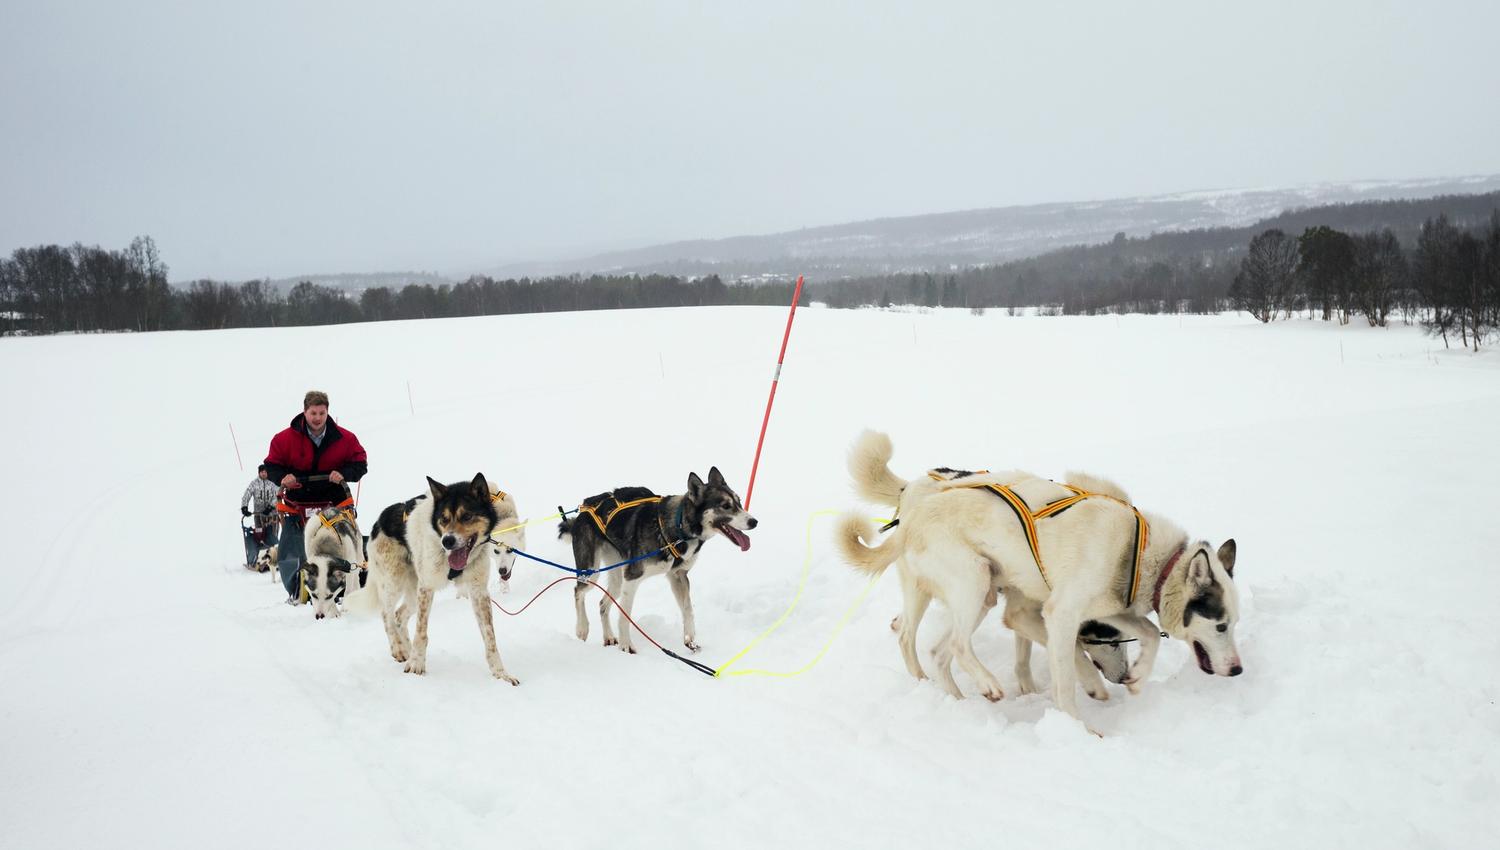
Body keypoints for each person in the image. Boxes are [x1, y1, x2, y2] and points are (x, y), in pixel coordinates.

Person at [262, 390, 368, 603]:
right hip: (297, 500)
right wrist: (284, 477)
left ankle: (347, 585)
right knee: (293, 545)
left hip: (334, 501)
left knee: (346, 543)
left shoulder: (344, 438)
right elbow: (271, 466)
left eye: (322, 413)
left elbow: (360, 464)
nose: (317, 418)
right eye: (313, 413)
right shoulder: (284, 439)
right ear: (304, 412)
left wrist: (344, 474)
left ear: (327, 412)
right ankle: (297, 590)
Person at [240, 463, 281, 568]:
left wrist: (271, 507)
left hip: (272, 515)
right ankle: (261, 561)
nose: (264, 473)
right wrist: (244, 507)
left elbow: (278, 494)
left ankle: (275, 559)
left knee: (273, 537)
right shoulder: (254, 484)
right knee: (260, 537)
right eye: (262, 472)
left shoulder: (271, 483)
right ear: (259, 473)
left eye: (265, 472)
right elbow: (247, 494)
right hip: (259, 515)